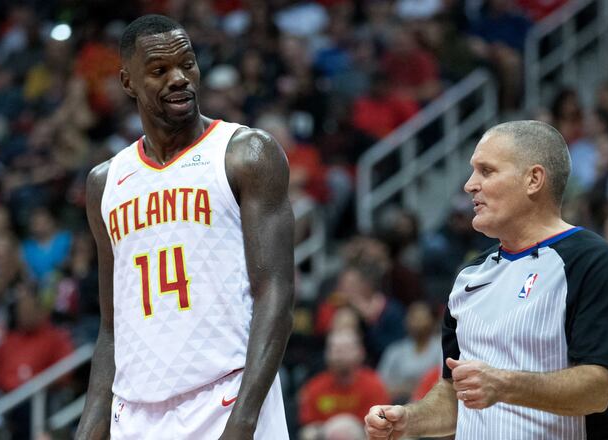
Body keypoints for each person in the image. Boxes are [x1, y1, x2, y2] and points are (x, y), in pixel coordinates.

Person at [75, 15, 294, 440]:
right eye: (159, 71)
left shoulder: (245, 153)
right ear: (128, 82)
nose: (179, 79)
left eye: (187, 64)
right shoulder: (105, 182)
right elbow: (111, 326)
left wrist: (245, 420)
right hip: (134, 412)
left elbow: (277, 296)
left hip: (227, 397)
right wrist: (91, 424)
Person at [365, 120, 608, 439]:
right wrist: (409, 420)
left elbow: (595, 391)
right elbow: (454, 397)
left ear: (534, 179)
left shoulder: (594, 262)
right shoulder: (469, 276)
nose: (469, 185)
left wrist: (504, 385)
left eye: (486, 171)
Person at [299, 329, 390, 427]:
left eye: (346, 349)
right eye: (334, 349)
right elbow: (307, 425)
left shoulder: (374, 386)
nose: (339, 355)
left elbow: (380, 425)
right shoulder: (314, 387)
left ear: (360, 352)